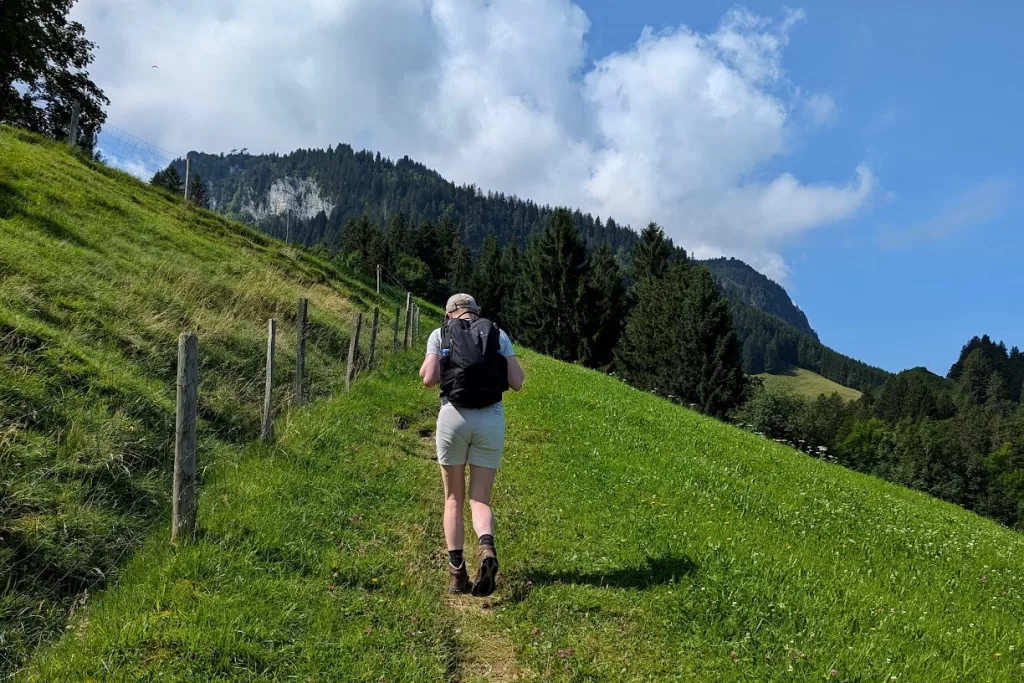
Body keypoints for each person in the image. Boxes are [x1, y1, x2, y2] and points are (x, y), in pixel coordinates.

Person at [419, 293, 525, 596]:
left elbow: (429, 379)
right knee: (480, 497)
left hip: (453, 415)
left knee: (453, 498)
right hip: (490, 419)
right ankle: (486, 548)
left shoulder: (440, 334)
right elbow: (517, 381)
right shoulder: (497, 333)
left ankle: (457, 574)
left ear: (450, 313)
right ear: (475, 312)